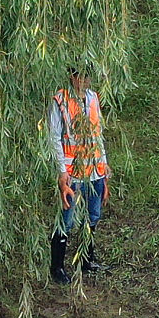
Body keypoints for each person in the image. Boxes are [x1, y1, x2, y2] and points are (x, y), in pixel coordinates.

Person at [48, 67, 111, 285]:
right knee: (66, 219)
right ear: (72, 77)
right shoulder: (60, 100)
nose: (84, 81)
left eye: (88, 77)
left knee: (93, 215)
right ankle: (57, 267)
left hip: (94, 169)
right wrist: (61, 172)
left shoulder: (93, 98)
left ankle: (86, 259)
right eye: (80, 76)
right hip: (72, 171)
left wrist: (105, 171)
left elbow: (98, 135)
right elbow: (54, 137)